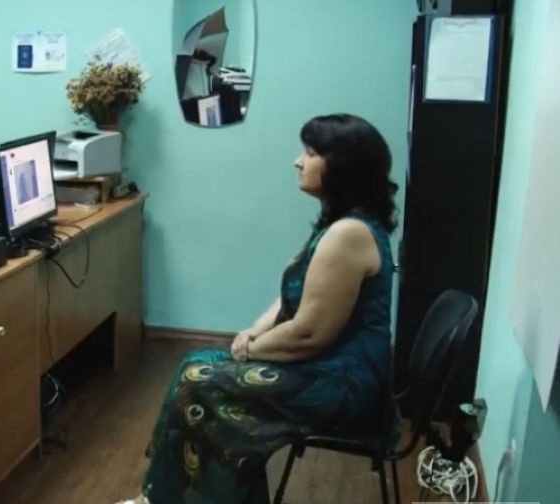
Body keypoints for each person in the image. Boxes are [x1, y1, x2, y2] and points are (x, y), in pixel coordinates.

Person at [120, 113, 398, 504]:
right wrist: (253, 331)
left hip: (342, 387)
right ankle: (163, 497)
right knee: (194, 366)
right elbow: (291, 295)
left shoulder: (348, 234)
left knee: (200, 380)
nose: (298, 161)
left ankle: (160, 499)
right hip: (325, 368)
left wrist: (250, 350)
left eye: (310, 153)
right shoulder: (340, 223)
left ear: (341, 167)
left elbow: (309, 335)